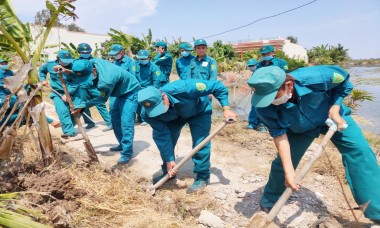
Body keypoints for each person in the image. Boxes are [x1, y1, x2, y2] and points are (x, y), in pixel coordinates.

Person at [248, 65, 380, 222]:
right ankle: (270, 200)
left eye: (273, 96)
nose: (270, 102)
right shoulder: (262, 106)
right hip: (299, 128)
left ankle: (376, 211)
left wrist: (336, 106)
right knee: (283, 164)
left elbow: (343, 81)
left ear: (288, 85)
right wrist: (289, 172)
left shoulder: (316, 77)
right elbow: (279, 136)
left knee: (361, 153)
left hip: (333, 117)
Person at [137, 79, 237, 193]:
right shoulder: (148, 114)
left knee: (200, 143)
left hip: (199, 111)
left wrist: (226, 109)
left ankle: (202, 176)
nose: (159, 112)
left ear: (163, 96)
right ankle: (168, 171)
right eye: (155, 110)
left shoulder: (184, 88)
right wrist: (169, 160)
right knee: (167, 142)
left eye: (159, 107)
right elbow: (161, 136)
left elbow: (217, 86)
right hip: (173, 117)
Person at [71, 58, 141, 164]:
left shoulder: (105, 82)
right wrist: (65, 70)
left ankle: (127, 152)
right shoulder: (91, 62)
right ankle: (122, 144)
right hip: (118, 90)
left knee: (126, 122)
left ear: (93, 70)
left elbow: (102, 99)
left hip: (130, 91)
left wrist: (83, 106)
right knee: (115, 119)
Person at [39, 50, 80, 138]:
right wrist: (43, 80)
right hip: (57, 93)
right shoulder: (49, 64)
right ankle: (69, 132)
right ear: (57, 58)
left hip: (73, 92)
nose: (66, 63)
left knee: (76, 111)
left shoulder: (74, 66)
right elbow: (42, 71)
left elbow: (76, 82)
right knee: (62, 111)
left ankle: (70, 125)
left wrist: (68, 94)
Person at [76, 43, 113, 131]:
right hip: (82, 87)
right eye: (83, 52)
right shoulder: (76, 62)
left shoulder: (96, 61)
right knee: (84, 105)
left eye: (88, 52)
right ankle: (89, 122)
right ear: (79, 52)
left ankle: (110, 123)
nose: (86, 53)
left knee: (100, 103)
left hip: (95, 86)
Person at [135, 50, 164, 125]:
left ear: (148, 58)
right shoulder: (135, 65)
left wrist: (153, 92)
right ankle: (139, 118)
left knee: (146, 104)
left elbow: (156, 81)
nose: (142, 60)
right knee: (137, 105)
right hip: (138, 88)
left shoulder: (154, 67)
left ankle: (146, 119)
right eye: (141, 59)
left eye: (144, 59)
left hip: (148, 89)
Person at [245, 59, 267, 132]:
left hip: (263, 93)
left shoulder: (262, 72)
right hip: (256, 93)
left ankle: (262, 124)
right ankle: (252, 123)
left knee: (262, 109)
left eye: (252, 66)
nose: (250, 67)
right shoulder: (254, 73)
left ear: (257, 65)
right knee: (254, 108)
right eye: (249, 66)